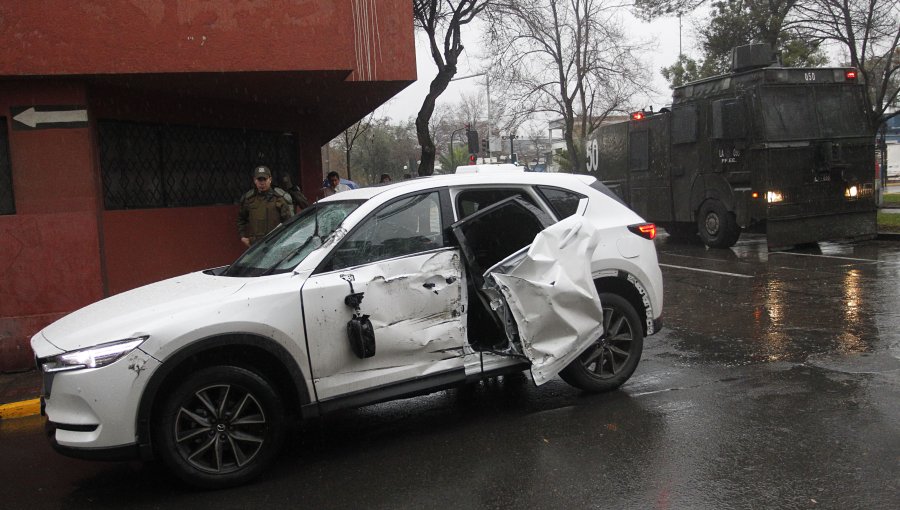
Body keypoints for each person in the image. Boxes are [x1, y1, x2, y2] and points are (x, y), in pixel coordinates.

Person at [237, 165, 294, 247]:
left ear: (270, 179)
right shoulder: (249, 200)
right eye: (259, 179)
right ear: (255, 180)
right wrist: (243, 236)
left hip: (276, 243)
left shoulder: (279, 199)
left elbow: (289, 222)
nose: (262, 182)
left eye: (265, 179)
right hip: (255, 245)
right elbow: (241, 219)